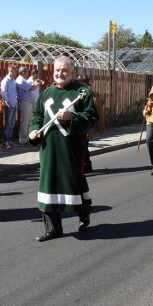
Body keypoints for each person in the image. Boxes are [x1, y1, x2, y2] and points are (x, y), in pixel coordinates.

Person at [28, 57, 98, 242]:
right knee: (48, 184)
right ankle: (53, 229)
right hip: (49, 147)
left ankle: (84, 216)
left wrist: (71, 116)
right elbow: (37, 115)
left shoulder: (82, 93)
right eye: (57, 70)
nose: (60, 74)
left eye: (64, 71)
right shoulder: (46, 94)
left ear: (72, 72)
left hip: (71, 148)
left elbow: (91, 118)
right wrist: (33, 130)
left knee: (74, 182)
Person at [77, 74, 106, 172]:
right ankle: (86, 164)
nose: (80, 85)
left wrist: (99, 126)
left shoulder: (92, 95)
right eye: (79, 83)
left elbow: (98, 111)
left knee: (84, 146)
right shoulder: (75, 94)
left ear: (86, 84)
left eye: (82, 83)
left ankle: (86, 165)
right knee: (81, 146)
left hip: (88, 124)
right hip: (77, 124)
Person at [17, 68, 42, 145]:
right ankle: (23, 139)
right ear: (23, 72)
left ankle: (26, 137)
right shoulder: (21, 80)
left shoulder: (23, 80)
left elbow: (30, 86)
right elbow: (31, 88)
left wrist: (35, 84)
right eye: (27, 72)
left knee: (29, 120)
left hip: (28, 102)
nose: (28, 74)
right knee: (25, 121)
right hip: (25, 102)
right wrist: (39, 83)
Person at [0, 65, 18, 148]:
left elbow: (14, 92)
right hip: (9, 105)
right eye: (15, 71)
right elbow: (3, 93)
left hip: (14, 104)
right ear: (11, 71)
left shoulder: (13, 80)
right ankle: (5, 141)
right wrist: (8, 102)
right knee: (7, 124)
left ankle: (10, 140)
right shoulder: (5, 81)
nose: (16, 73)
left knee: (12, 124)